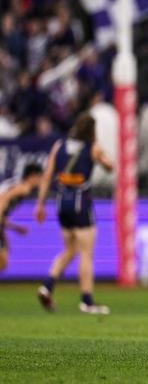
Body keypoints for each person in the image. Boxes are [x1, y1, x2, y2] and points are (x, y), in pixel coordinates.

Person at [35, 113, 114, 314]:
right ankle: (87, 300)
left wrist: (41, 204)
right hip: (81, 204)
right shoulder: (92, 148)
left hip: (62, 203)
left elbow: (47, 176)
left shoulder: (59, 146)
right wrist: (102, 154)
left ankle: (47, 286)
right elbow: (109, 166)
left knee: (70, 249)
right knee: (86, 253)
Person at [0, 164, 44, 271]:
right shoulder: (23, 188)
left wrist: (16, 228)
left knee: (4, 257)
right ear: (32, 176)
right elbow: (4, 199)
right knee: (3, 258)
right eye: (40, 177)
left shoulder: (16, 184)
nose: (41, 180)